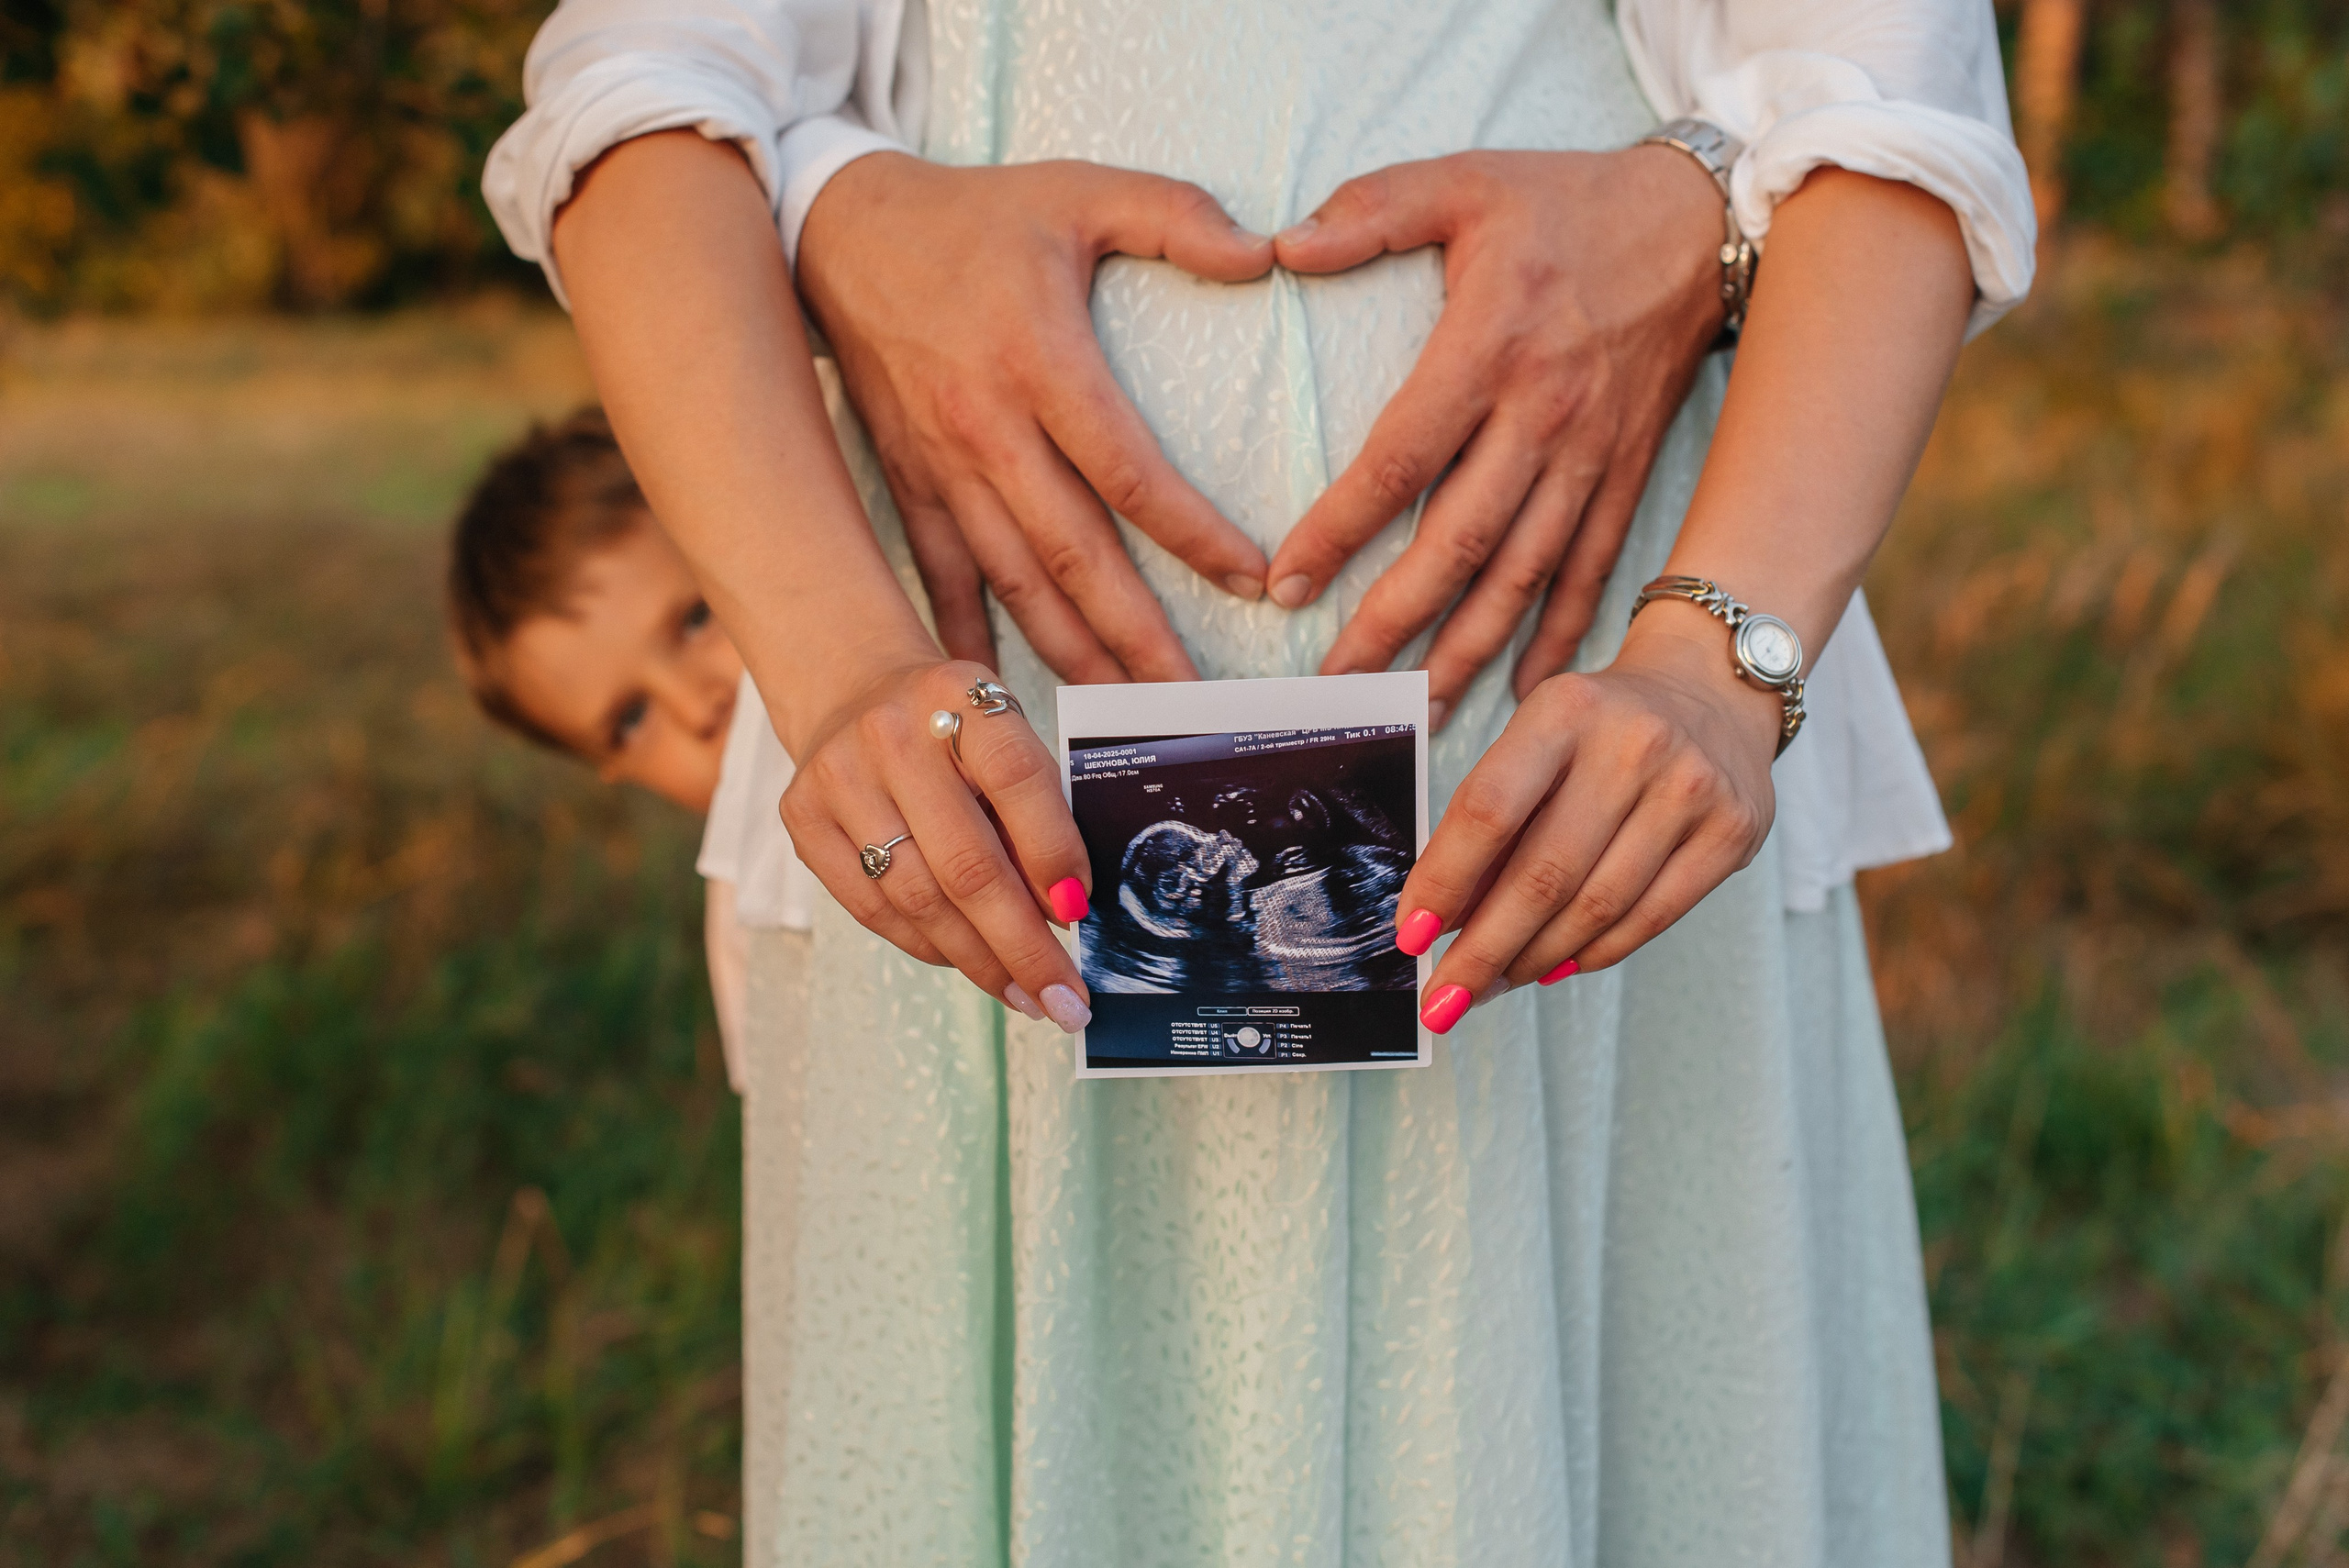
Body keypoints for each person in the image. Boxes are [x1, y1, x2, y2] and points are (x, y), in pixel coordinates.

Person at [484, 0, 2037, 1562]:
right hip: (971, 766)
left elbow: (1893, 102)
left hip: (1596, 753)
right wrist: (838, 635)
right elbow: (639, 96)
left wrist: (1715, 651)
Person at [445, 407, 825, 1090]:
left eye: (696, 618)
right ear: (609, 769)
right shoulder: (749, 921)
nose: (697, 706)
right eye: (630, 719)